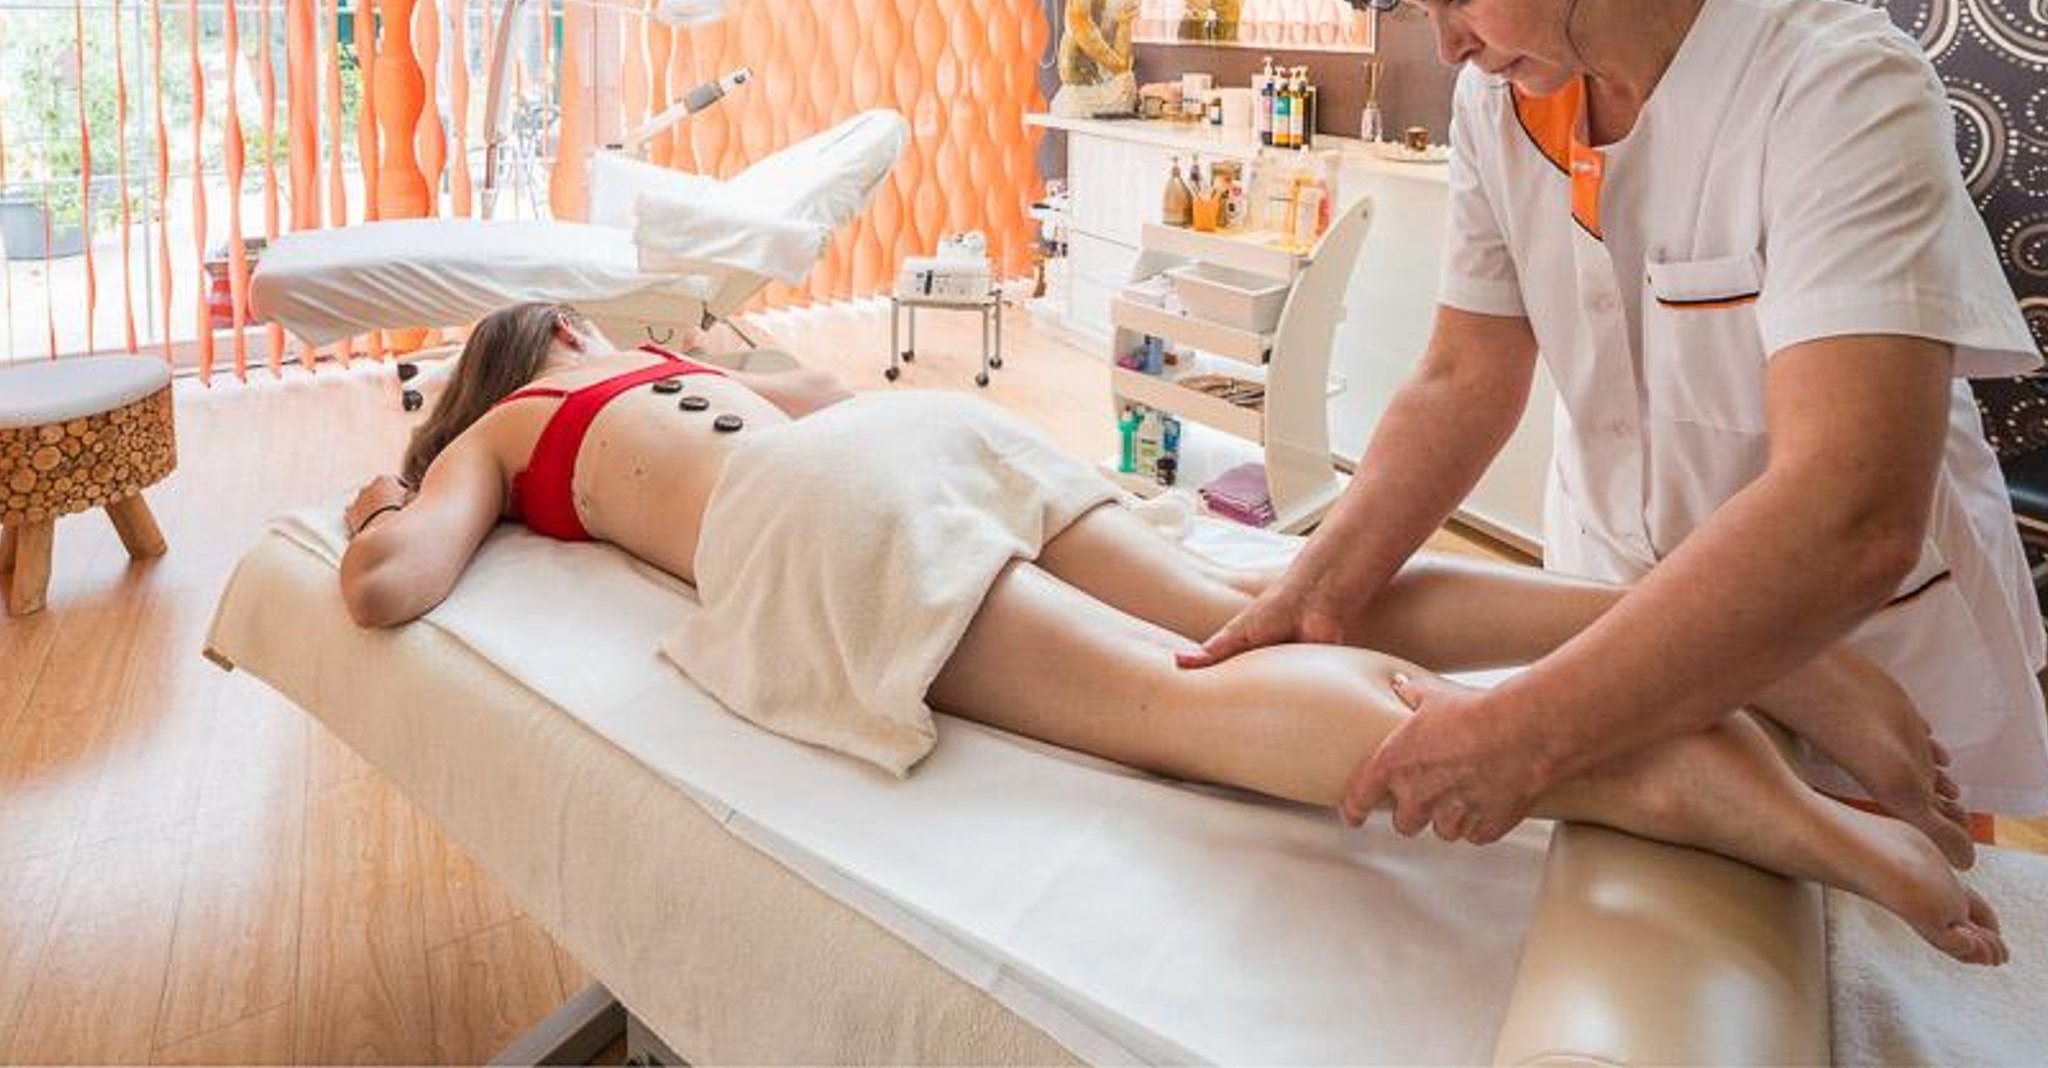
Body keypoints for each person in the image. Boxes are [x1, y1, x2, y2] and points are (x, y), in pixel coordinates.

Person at [340, 301, 2006, 963]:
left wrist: (393, 493)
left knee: (1175, 698)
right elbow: (830, 391)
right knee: (1267, 599)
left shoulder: (513, 428)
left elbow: (392, 584)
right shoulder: (671, 369)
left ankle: (1663, 778)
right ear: (584, 330)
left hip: (813, 513)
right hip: (919, 436)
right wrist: (723, 350)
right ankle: (1707, 641)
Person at [1180, 0, 2048, 860]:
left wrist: (1520, 732)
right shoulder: (1499, 103)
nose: (1447, 47)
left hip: (1850, 633)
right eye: (1424, 7)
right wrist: (1316, 587)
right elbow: (1461, 373)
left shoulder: (1838, 88)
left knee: (1876, 925)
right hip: (1612, 592)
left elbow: (1848, 509)